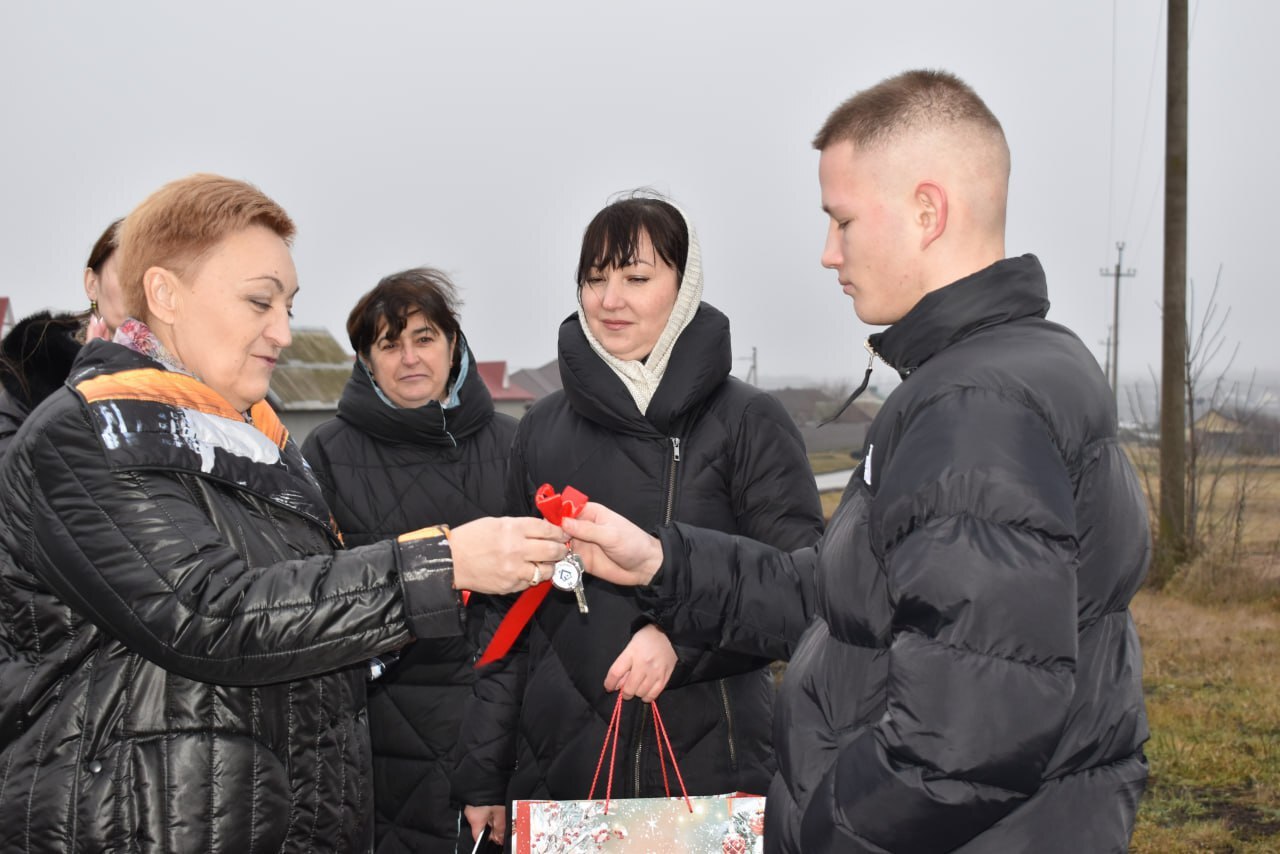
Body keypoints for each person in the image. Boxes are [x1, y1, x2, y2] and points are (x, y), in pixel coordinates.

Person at [561, 71, 1150, 853]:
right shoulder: (1021, 363)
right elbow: (849, 598)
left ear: (928, 212)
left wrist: (817, 826)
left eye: (842, 221)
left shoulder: (973, 407)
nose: (828, 253)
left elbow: (960, 745)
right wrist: (663, 562)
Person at [0, 173, 568, 852]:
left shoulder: (255, 441)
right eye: (259, 301)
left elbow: (306, 620)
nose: (284, 332)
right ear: (165, 294)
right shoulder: (88, 434)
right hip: (145, 826)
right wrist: (441, 566)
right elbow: (210, 613)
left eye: (288, 306)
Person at [453, 193, 825, 848]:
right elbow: (503, 615)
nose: (610, 299)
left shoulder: (747, 421)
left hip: (710, 764)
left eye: (636, 277)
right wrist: (484, 774)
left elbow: (804, 597)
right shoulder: (540, 429)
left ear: (684, 286)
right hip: (560, 762)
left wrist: (683, 642)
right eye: (595, 278)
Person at [302, 268, 517, 853]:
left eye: (424, 338)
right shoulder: (326, 453)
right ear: (367, 360)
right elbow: (315, 596)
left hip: (498, 725)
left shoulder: (513, 445)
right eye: (389, 344)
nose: (410, 358)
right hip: (377, 733)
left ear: (454, 345)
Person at [0, 219, 126, 454]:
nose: (140, 288)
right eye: (127, 272)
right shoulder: (34, 364)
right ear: (92, 283)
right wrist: (88, 386)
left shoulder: (188, 367)